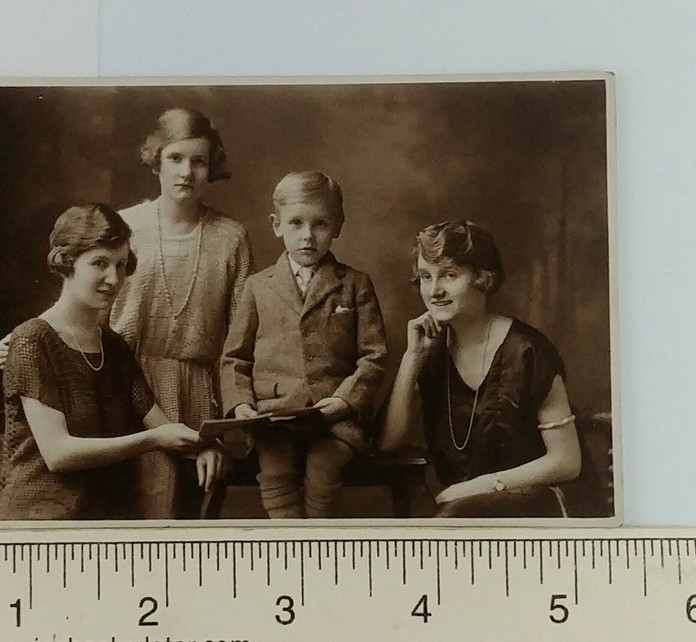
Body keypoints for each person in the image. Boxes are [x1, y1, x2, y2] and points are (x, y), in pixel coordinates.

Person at [0, 108, 250, 518]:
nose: (186, 171)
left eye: (199, 160)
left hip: (190, 393)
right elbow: (74, 309)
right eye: (175, 158)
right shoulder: (124, 228)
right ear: (155, 158)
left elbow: (241, 338)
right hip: (116, 391)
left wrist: (216, 436)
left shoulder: (230, 237)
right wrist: (21, 340)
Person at [0, 203, 208, 521]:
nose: (114, 279)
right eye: (100, 263)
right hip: (38, 520)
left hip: (104, 515)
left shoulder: (113, 347)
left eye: (121, 265)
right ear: (67, 263)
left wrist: (206, 446)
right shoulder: (32, 340)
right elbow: (58, 454)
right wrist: (153, 440)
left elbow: (163, 427)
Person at [379, 220, 582, 518]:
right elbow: (388, 443)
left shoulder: (527, 351)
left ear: (482, 278)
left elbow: (567, 461)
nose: (434, 291)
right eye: (425, 277)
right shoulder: (430, 352)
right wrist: (412, 359)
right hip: (458, 507)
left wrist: (478, 487)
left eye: (449, 275)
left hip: (533, 503)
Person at [220, 171, 387, 518]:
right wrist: (242, 406)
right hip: (275, 416)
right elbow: (234, 358)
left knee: (324, 465)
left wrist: (344, 400)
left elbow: (373, 357)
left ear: (338, 226)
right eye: (296, 223)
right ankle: (289, 539)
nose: (307, 236)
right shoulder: (257, 286)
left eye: (320, 224)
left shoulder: (354, 284)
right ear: (276, 225)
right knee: (276, 466)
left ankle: (317, 539)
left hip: (334, 418)